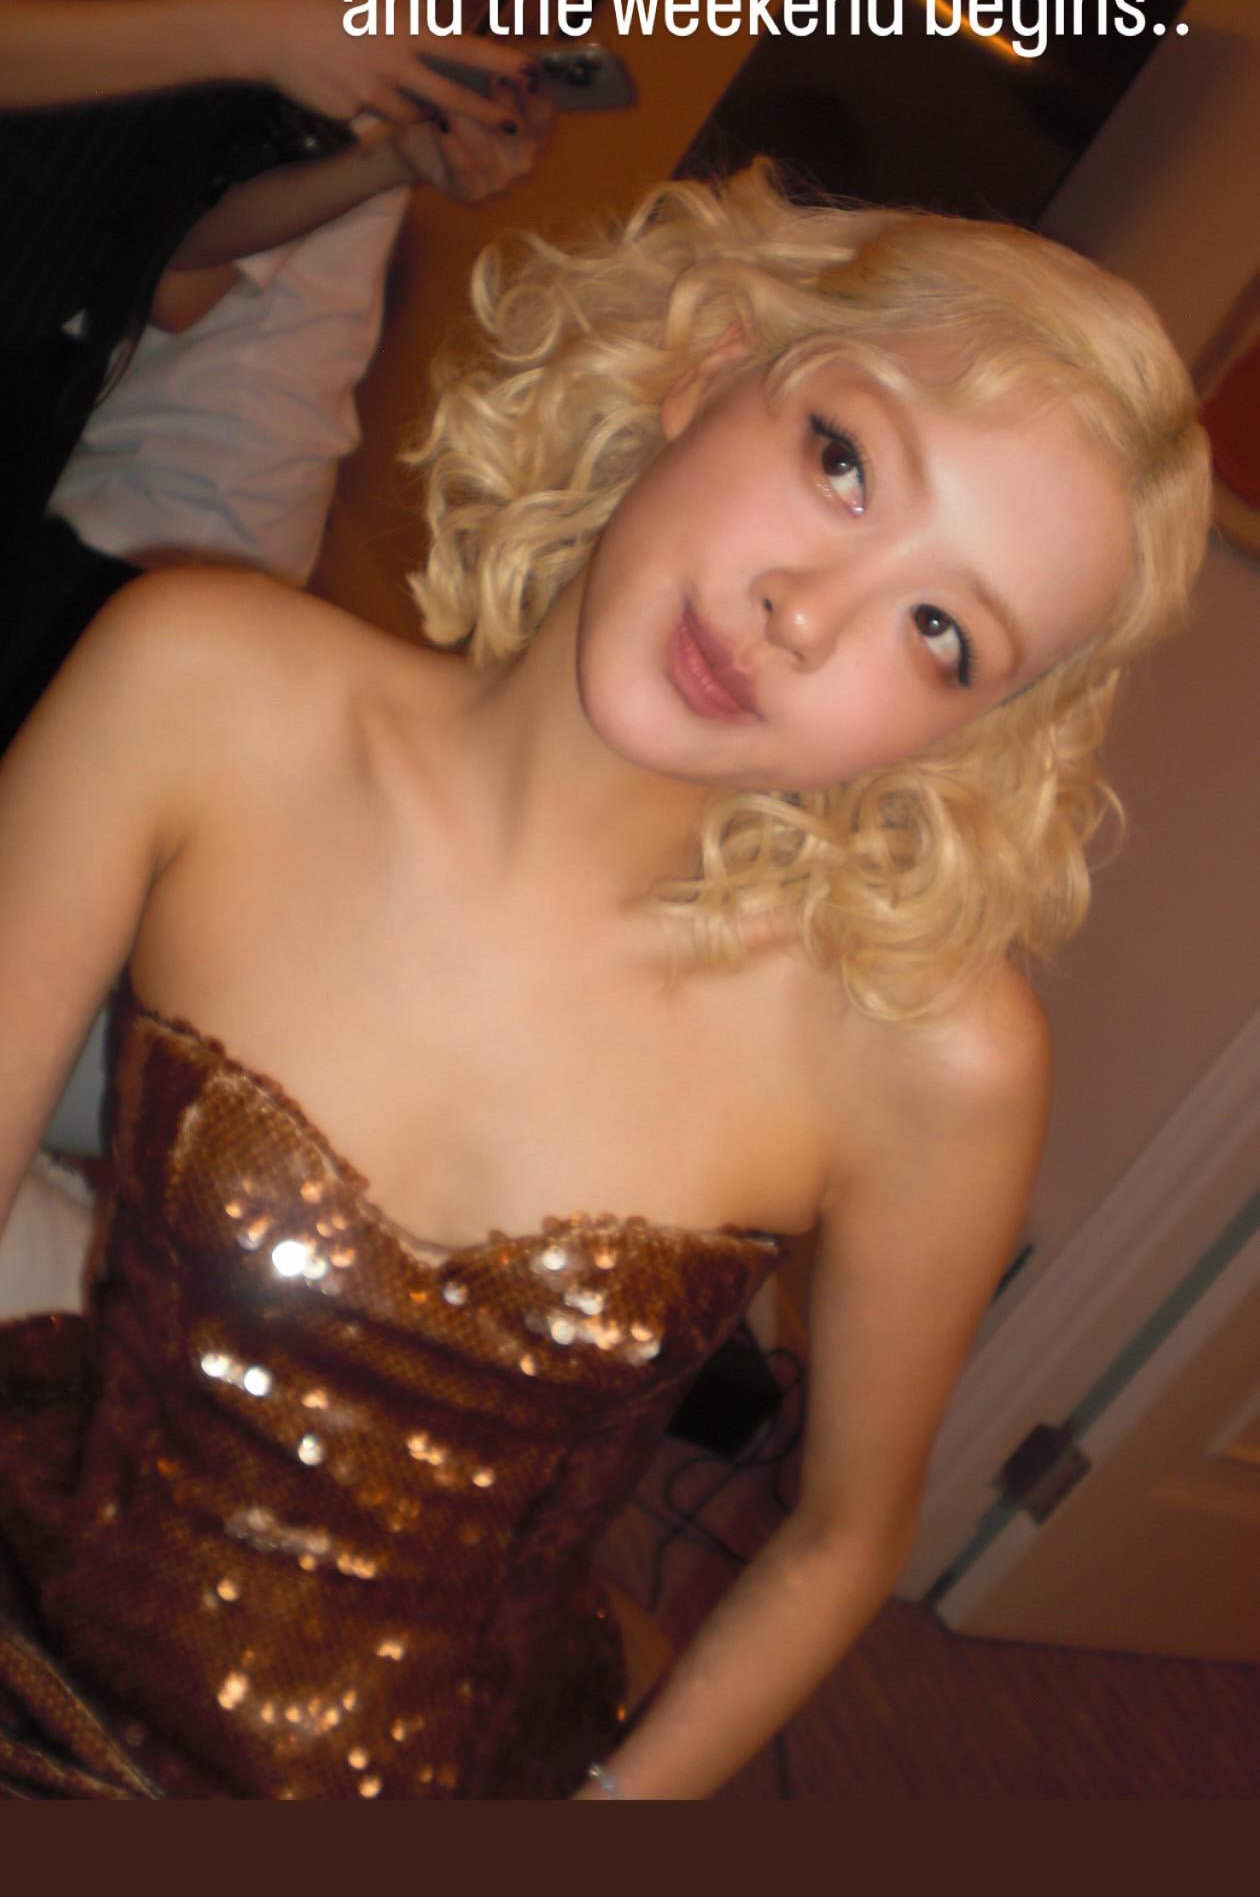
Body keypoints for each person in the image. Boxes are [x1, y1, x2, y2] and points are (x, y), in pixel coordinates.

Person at [0, 163, 1211, 1800]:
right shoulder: (194, 687)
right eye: (844, 462)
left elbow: (846, 1536)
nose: (805, 618)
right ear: (712, 367)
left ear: (961, 737)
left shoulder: (927, 1064)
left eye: (941, 634)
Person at [0, 82, 553, 752]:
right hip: (191, 493)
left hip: (180, 500)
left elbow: (177, 288)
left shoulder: (351, 89)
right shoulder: (366, 85)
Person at [0, 0, 536, 623]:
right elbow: (179, 280)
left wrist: (396, 155)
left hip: (161, 465)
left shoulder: (352, 58)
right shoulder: (325, 36)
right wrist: (255, 32)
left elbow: (174, 259)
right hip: (171, 483)